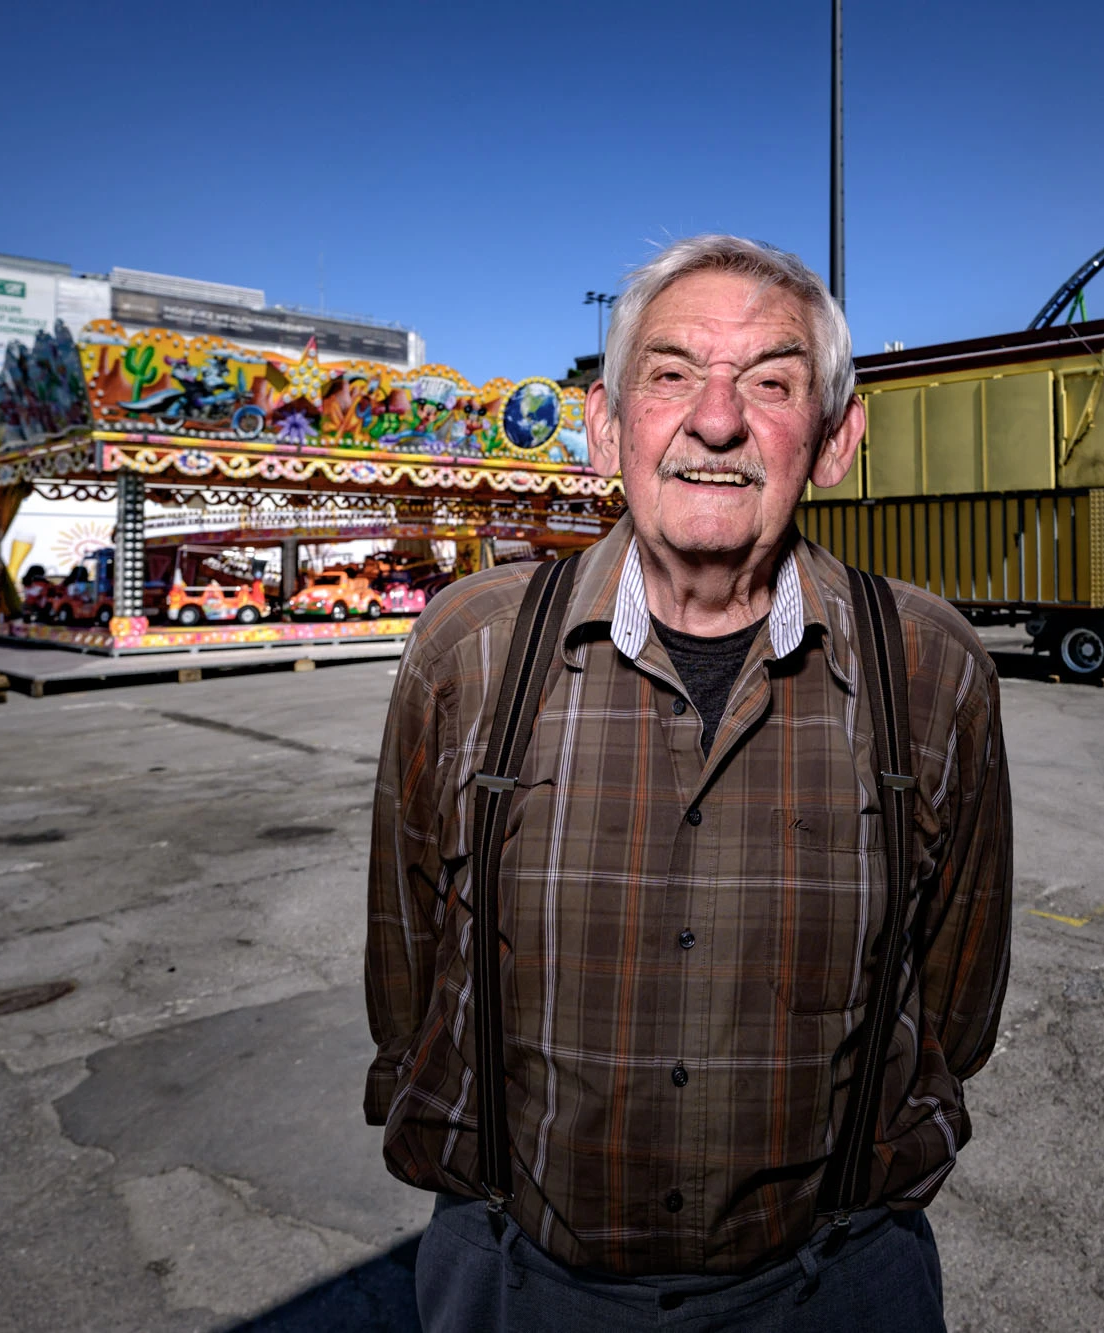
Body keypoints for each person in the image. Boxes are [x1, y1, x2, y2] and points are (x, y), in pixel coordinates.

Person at [366, 235, 1012, 1330]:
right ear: (606, 426)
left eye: (770, 382)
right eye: (669, 375)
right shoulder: (467, 650)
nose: (716, 421)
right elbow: (408, 965)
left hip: (830, 1282)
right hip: (521, 1280)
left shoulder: (930, 667)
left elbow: (954, 1000)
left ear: (835, 439)